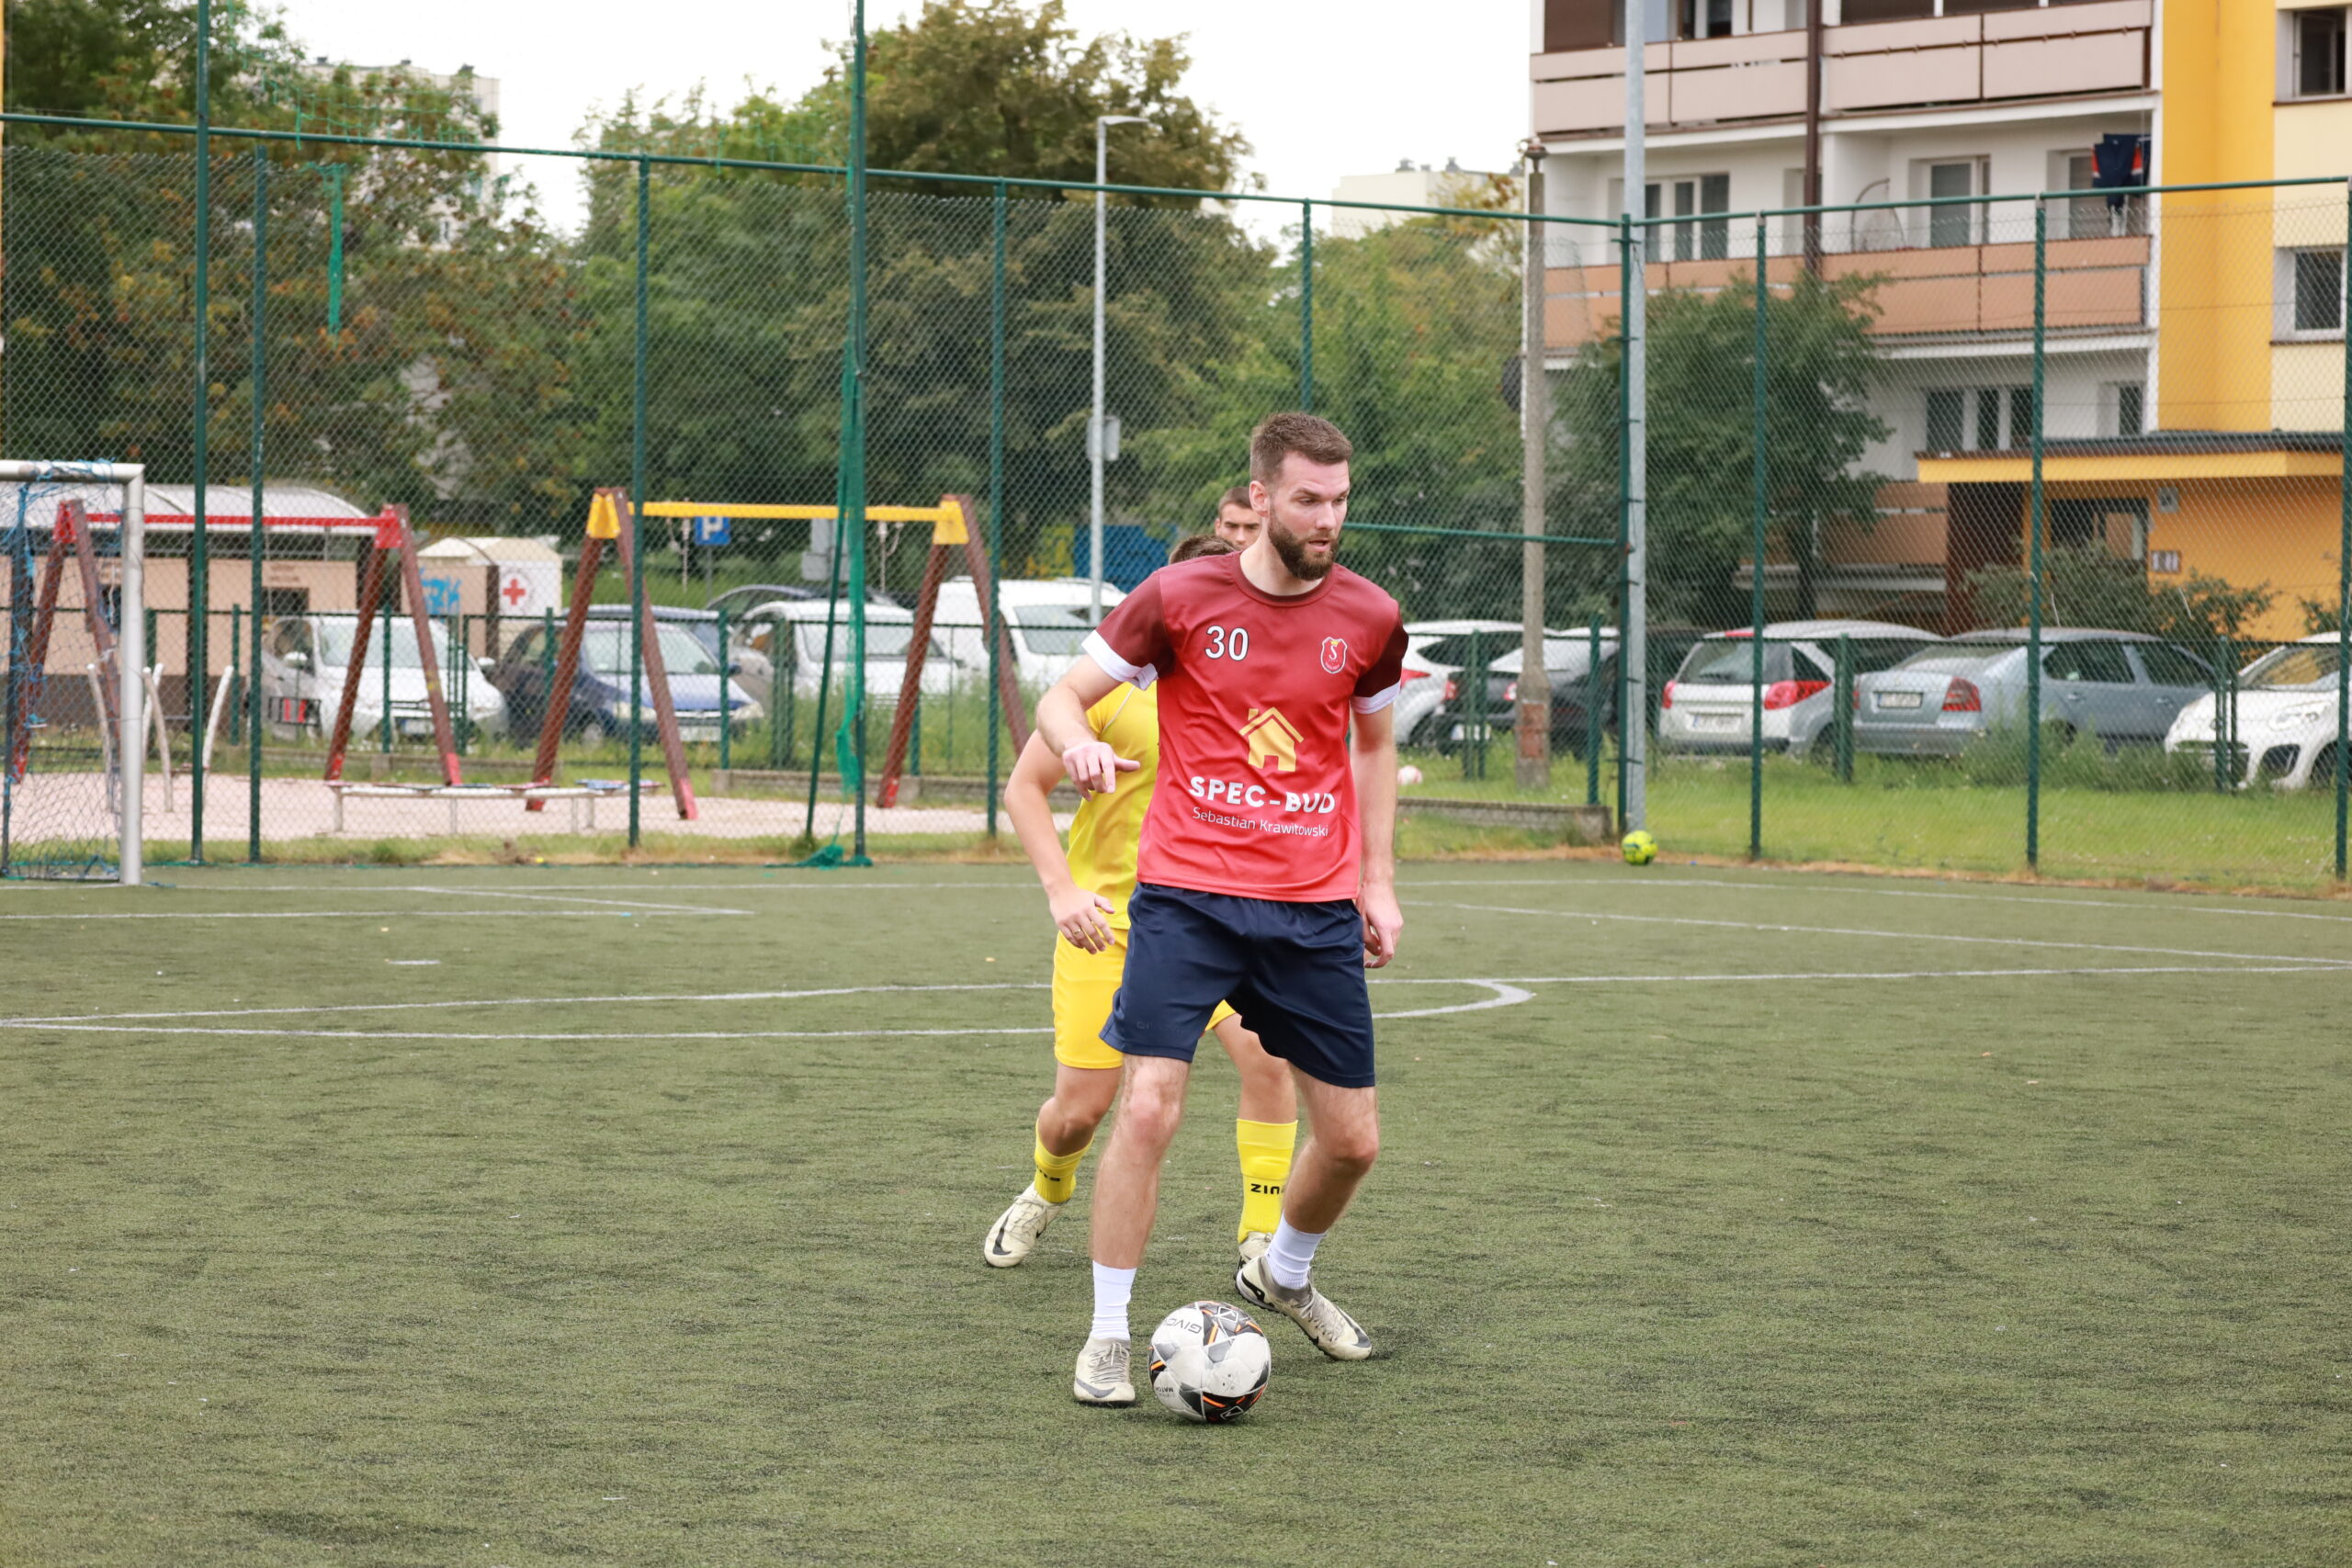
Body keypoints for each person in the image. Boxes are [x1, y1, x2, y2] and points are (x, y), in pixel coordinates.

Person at [1037, 412, 1408, 1406]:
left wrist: (1376, 881)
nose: (1326, 519)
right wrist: (1077, 740)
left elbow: (1375, 748)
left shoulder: (1371, 616)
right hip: (1187, 898)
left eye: (1339, 501)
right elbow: (1060, 698)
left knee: (1354, 1141)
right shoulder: (1178, 597)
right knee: (1147, 1106)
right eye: (1307, 499)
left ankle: (1281, 1272)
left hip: (1312, 908)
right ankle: (1107, 1337)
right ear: (1259, 497)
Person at [984, 532, 1297, 1275]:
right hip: (1111, 931)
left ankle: (1262, 1238)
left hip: (1216, 928)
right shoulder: (1111, 692)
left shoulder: (1257, 698)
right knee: (1079, 1111)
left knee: (1268, 1056)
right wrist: (1064, 891)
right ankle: (1047, 1186)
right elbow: (1024, 789)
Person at [1210, 482, 1261, 550]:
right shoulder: (1199, 556)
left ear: (1264, 530)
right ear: (1218, 527)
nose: (1240, 538)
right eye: (1232, 526)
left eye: (1251, 528)